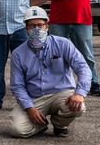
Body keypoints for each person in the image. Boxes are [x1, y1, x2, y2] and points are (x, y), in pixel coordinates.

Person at [9, 7, 89, 138]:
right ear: (26, 29)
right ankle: (40, 125)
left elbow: (83, 68)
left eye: (40, 25)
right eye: (32, 26)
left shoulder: (63, 44)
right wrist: (30, 109)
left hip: (61, 93)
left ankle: (59, 124)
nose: (36, 29)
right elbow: (17, 85)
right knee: (17, 129)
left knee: (78, 106)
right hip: (35, 97)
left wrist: (80, 93)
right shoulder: (18, 53)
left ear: (47, 26)